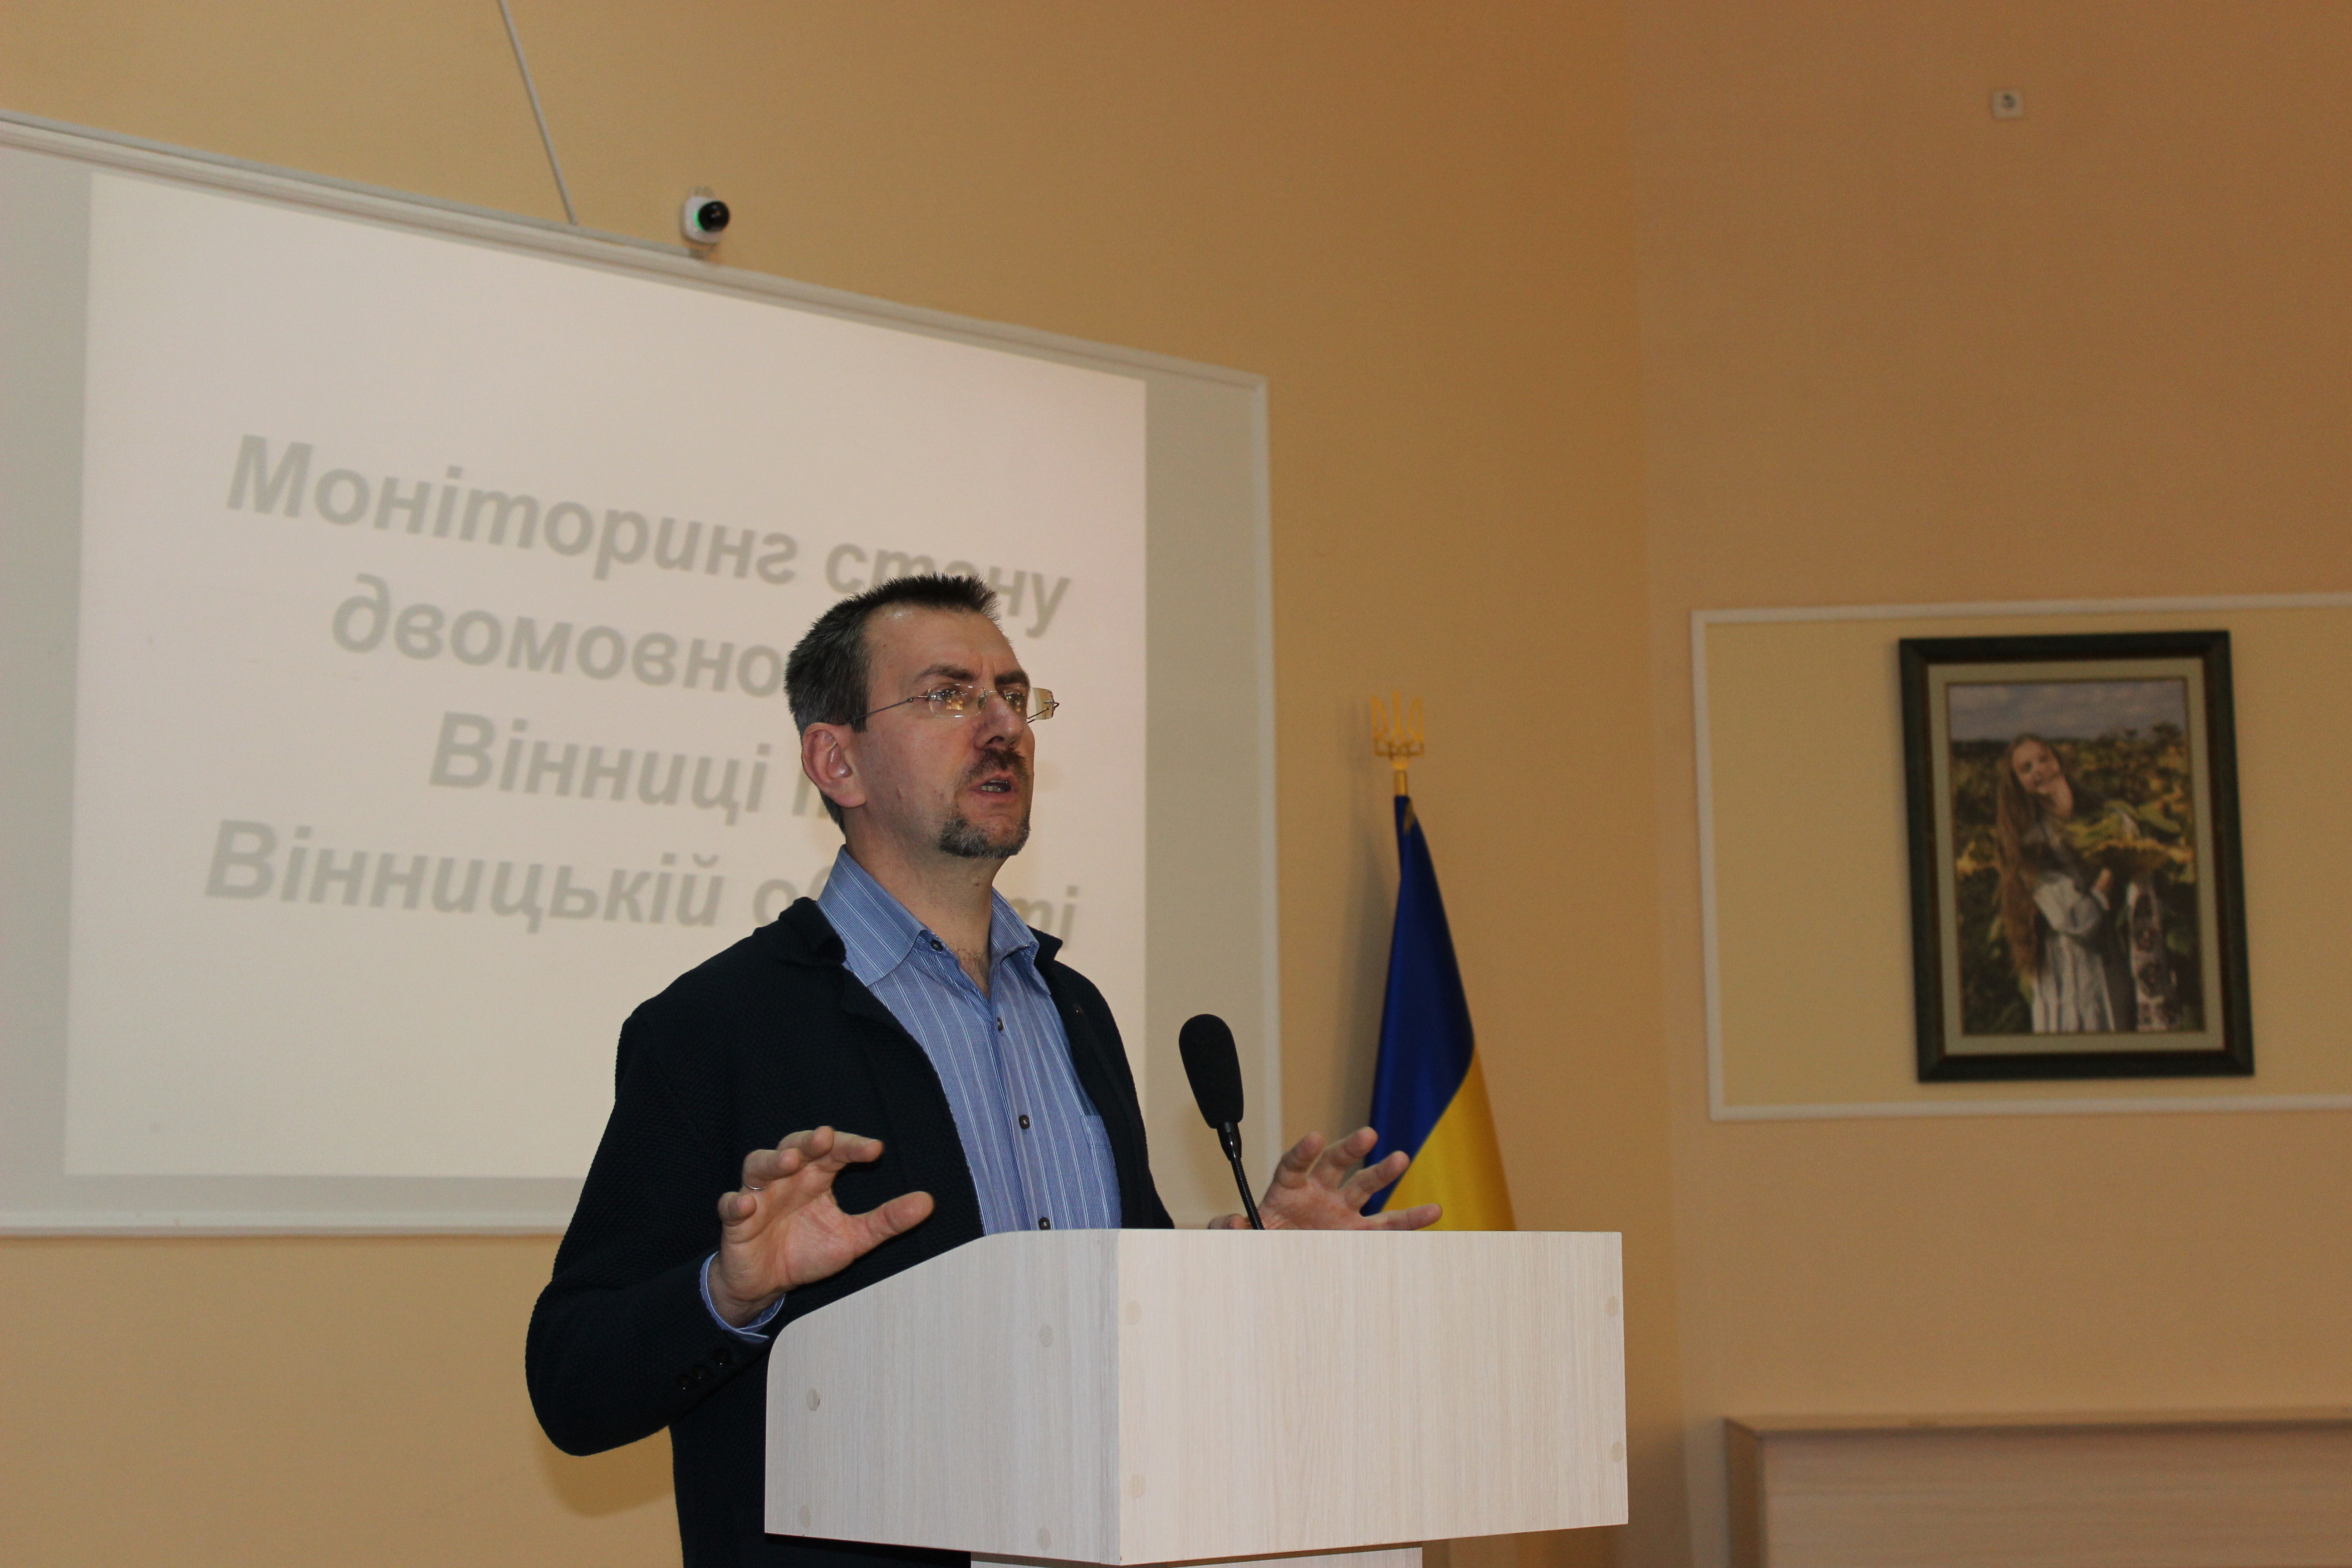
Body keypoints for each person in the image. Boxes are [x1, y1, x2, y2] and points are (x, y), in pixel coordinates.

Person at [527, 573, 1439, 1568]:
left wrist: (1243, 1263)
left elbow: (1113, 1315)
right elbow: (573, 1380)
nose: (1003, 725)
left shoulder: (1073, 1009)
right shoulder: (714, 1027)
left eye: (1012, 695)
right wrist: (729, 1291)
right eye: (948, 696)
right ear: (837, 761)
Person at [1993, 734, 2133, 1032]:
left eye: (2044, 759)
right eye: (2027, 768)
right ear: (2018, 784)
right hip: (2070, 968)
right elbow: (2080, 919)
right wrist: (2110, 872)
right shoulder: (2031, 844)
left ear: (2058, 761)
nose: (2039, 770)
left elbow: (2131, 833)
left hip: (2114, 961)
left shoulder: (2098, 814)